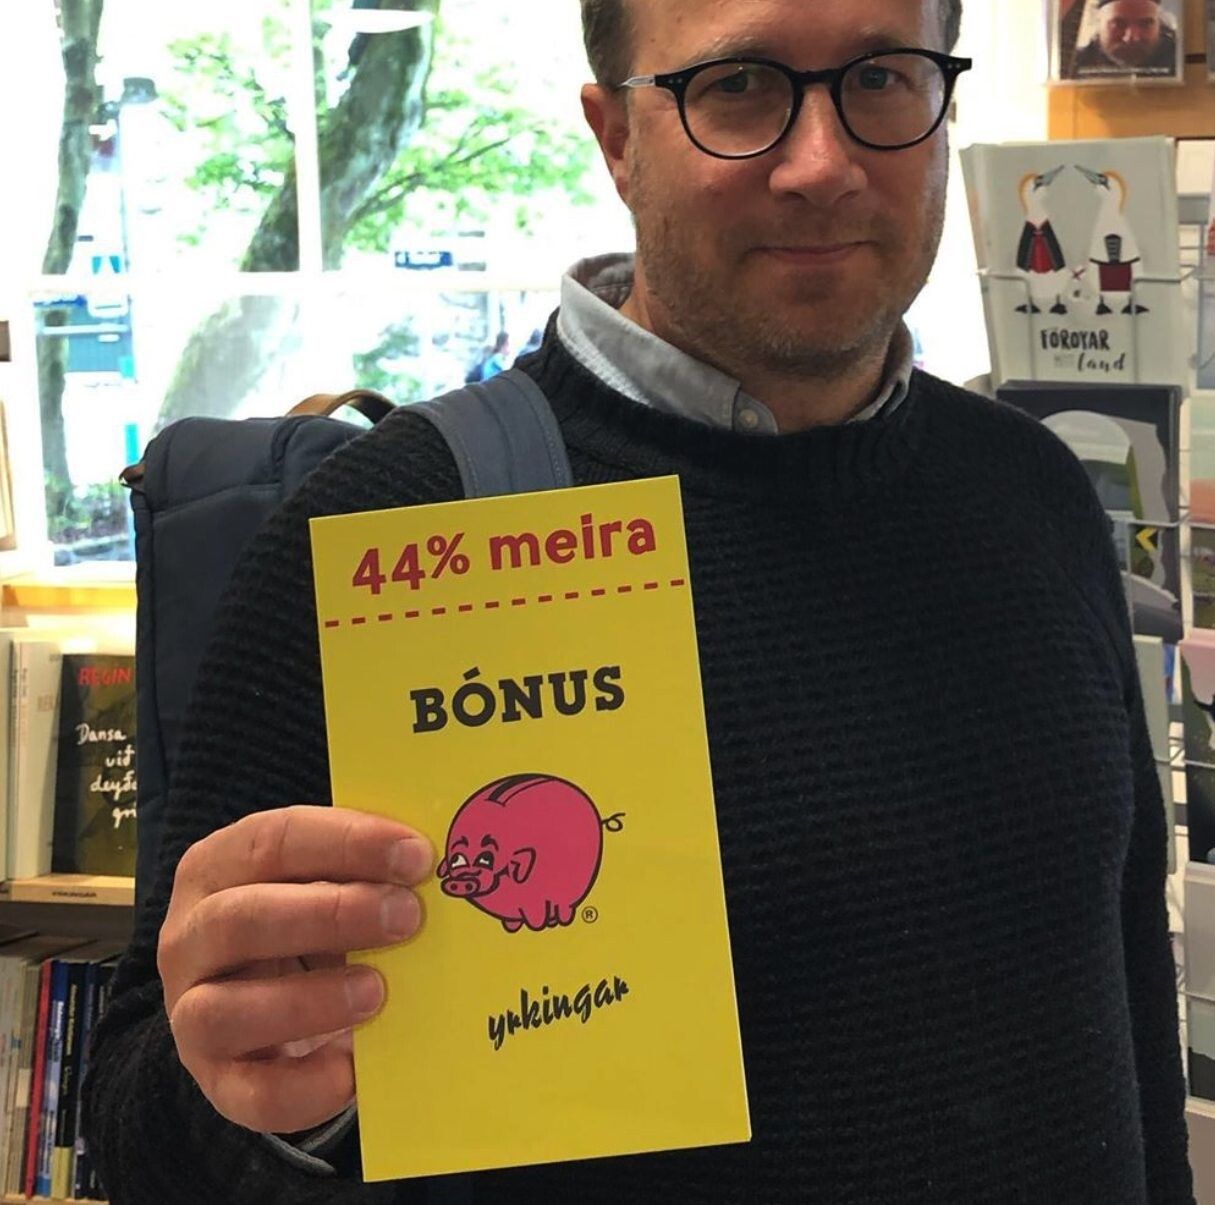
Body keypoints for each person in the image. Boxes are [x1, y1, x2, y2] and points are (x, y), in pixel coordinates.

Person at [82, 0, 1196, 1201]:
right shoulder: (391, 535)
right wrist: (260, 1093)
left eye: (882, 77)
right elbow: (145, 1132)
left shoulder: (1034, 490)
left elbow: (1133, 1002)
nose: (821, 164)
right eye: (739, 88)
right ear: (616, 137)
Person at [1071, 0, 1179, 78]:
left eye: (1145, 24)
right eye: (1118, 24)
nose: (1132, 38)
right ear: (1098, 22)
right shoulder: (1072, 65)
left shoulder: (1181, 63)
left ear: (1159, 24)